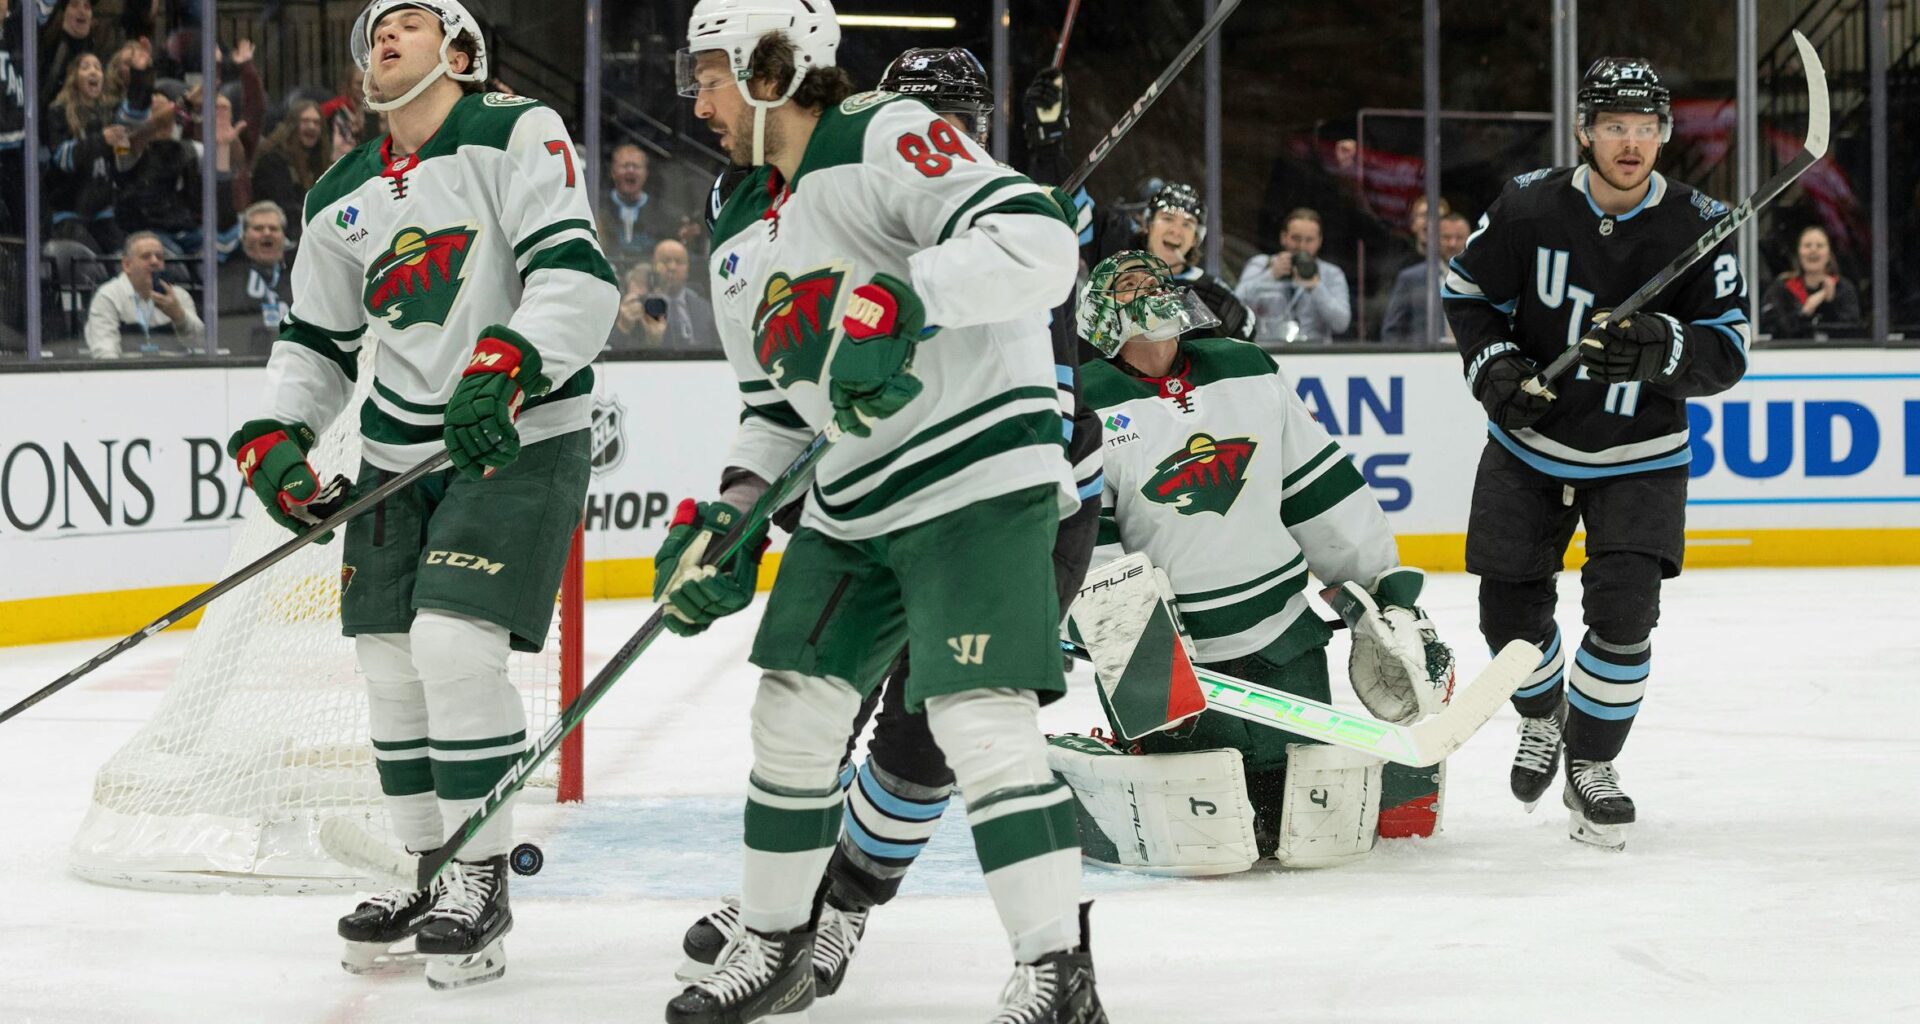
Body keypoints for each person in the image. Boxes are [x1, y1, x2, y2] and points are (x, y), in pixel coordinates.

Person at [662, 2, 1102, 1021]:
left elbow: (1039, 243)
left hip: (975, 479)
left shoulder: (886, 133)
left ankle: (1056, 967)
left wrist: (904, 295)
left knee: (978, 720)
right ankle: (776, 944)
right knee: (793, 712)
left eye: (714, 75)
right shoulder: (738, 223)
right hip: (851, 501)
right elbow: (774, 408)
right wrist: (729, 514)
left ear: (774, 68)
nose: (699, 100)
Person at [226, 0, 615, 990]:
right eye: (374, 30)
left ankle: (480, 873)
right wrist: (278, 430)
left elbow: (577, 275)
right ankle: (428, 865)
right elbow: (315, 343)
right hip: (398, 454)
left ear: (462, 48)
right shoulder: (341, 192)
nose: (380, 38)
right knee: (389, 659)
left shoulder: (515, 129)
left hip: (515, 438)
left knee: (453, 642)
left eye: (406, 22)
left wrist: (512, 360)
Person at [1441, 57, 1750, 851]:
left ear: (1665, 136)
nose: (1631, 142)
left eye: (1647, 128)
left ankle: (1592, 762)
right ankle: (1544, 714)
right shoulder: (1527, 206)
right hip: (1531, 444)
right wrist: (1496, 368)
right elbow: (1466, 295)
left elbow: (1730, 349)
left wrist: (1665, 347)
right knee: (1507, 613)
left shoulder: (1699, 223)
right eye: (1615, 125)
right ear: (1584, 129)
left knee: (1623, 618)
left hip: (1643, 452)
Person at [1068, 249, 1455, 864]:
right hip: (1181, 660)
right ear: (1100, 317)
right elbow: (1086, 541)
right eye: (1130, 286)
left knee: (1298, 809)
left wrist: (1386, 598)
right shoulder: (1084, 402)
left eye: (1157, 280)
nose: (1151, 291)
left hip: (1281, 635)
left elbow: (1317, 488)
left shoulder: (1244, 367)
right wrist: (1132, 651)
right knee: (1207, 816)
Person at [1131, 181, 1253, 342]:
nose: (1176, 231)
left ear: (1196, 238)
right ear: (1148, 225)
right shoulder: (1121, 279)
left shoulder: (1214, 292)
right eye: (1168, 218)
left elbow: (1248, 338)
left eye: (1187, 224)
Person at [45, 51, 127, 252]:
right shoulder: (58, 111)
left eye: (98, 67)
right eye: (86, 67)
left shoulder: (110, 113)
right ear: (74, 77)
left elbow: (123, 161)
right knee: (89, 260)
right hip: (68, 212)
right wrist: (102, 140)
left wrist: (124, 145)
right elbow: (64, 158)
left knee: (121, 257)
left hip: (103, 212)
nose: (94, 71)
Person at [1235, 207, 1352, 344]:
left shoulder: (1332, 274)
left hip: (1316, 356)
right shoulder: (1261, 265)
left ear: (1319, 241)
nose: (1302, 246)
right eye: (1296, 238)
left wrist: (1316, 287)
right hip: (1271, 353)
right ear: (1283, 237)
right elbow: (1236, 306)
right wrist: (1270, 275)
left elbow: (1341, 323)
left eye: (1309, 240)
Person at [84, 230, 203, 357]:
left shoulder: (179, 296)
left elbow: (200, 344)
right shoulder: (108, 296)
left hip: (175, 371)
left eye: (159, 257)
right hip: (127, 372)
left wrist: (179, 317)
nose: (154, 262)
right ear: (127, 265)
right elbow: (104, 352)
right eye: (146, 257)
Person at [1382, 209, 1472, 345]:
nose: (1452, 244)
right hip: (1424, 361)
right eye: (1446, 237)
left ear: (1469, 240)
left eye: (1459, 238)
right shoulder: (1411, 278)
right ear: (1435, 239)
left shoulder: (1481, 278)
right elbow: (1392, 332)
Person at [215, 200, 293, 355]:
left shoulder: (298, 280)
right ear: (244, 238)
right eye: (258, 228)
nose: (266, 233)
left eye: (273, 228)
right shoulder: (226, 280)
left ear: (283, 238)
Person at [1761, 223, 1862, 340]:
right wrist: (1805, 312)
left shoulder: (1844, 288)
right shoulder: (1781, 289)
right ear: (1799, 253)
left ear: (1829, 254)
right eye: (1807, 246)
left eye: (1819, 246)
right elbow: (1772, 329)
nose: (1813, 250)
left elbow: (1853, 332)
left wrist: (1829, 304)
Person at [251, 100, 331, 245]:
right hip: (279, 234)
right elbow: (283, 207)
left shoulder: (318, 162)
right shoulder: (273, 161)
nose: (312, 127)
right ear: (293, 126)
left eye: (316, 122)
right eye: (305, 121)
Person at [594, 142, 670, 273]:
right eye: (625, 166)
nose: (631, 170)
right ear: (613, 172)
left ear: (646, 173)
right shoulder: (599, 207)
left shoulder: (662, 212)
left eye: (636, 166)